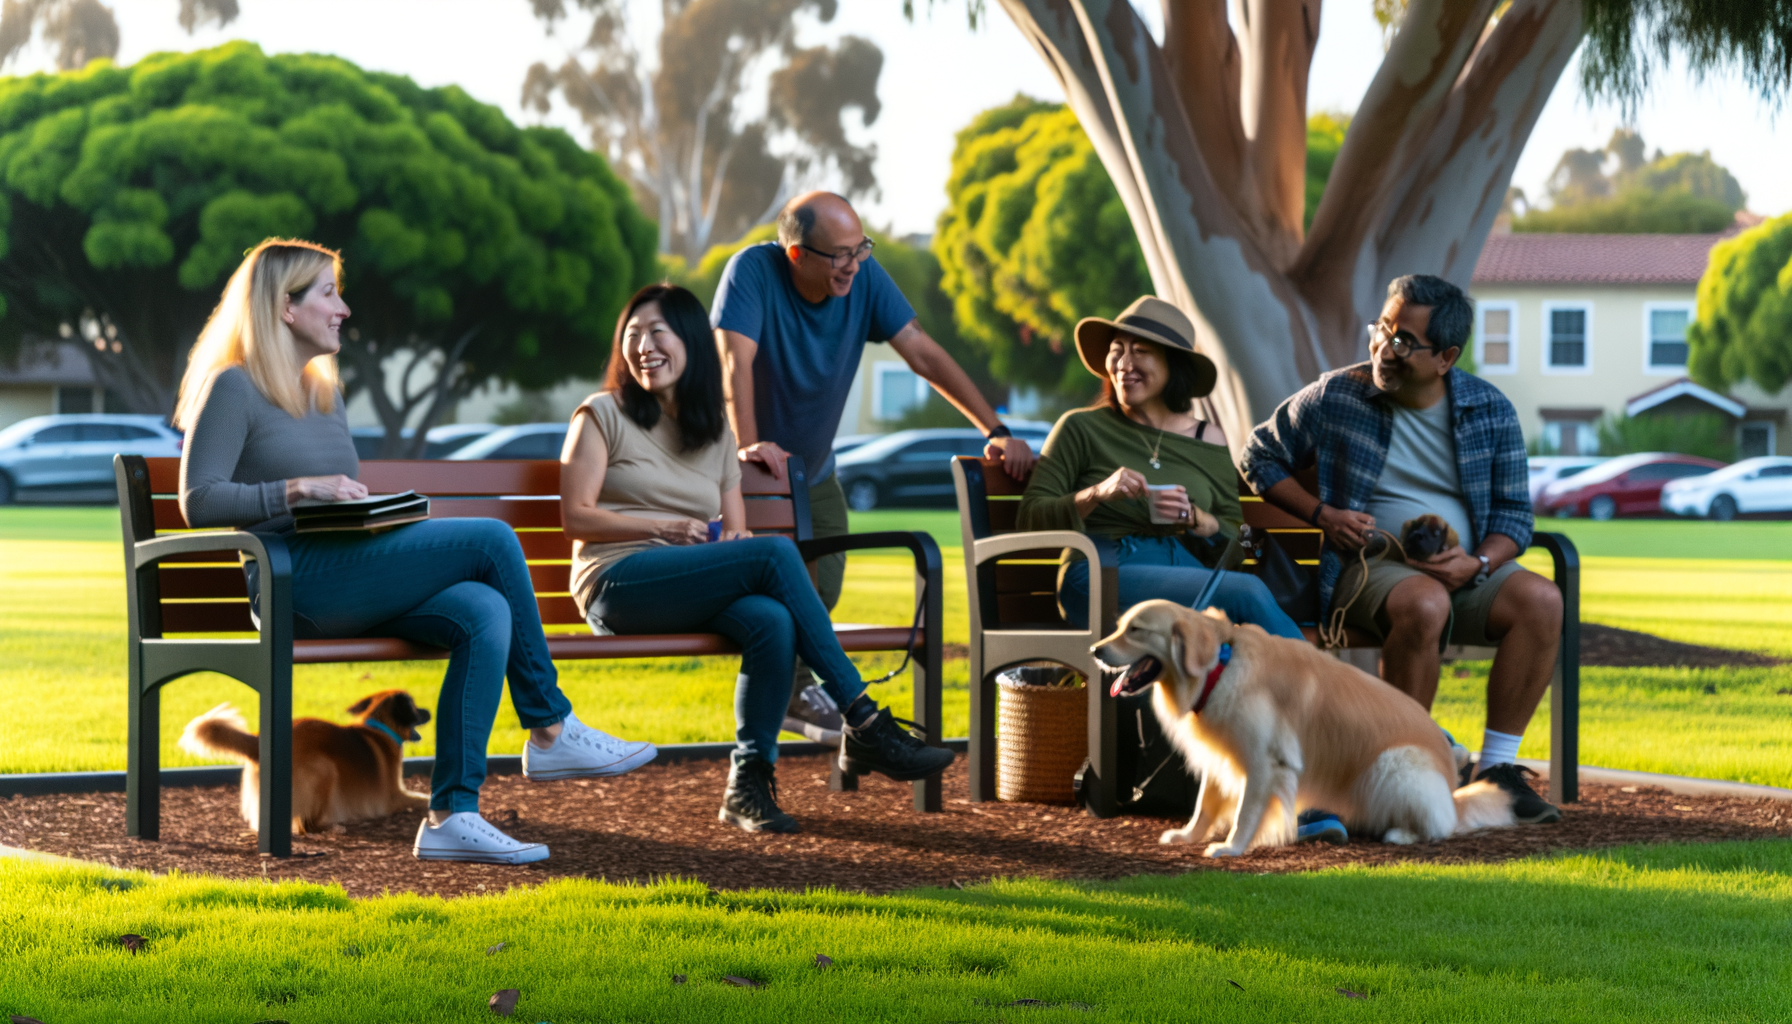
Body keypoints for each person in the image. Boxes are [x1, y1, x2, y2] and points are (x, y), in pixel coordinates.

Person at [174, 238, 655, 868]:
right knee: (492, 538)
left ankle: (453, 813)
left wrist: (365, 508)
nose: (343, 308)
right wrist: (297, 490)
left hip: (351, 571)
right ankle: (550, 726)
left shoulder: (324, 393)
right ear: (284, 309)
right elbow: (199, 501)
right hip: (295, 582)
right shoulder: (233, 387)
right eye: (328, 293)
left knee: (484, 609)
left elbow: (331, 499)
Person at [562, 283, 956, 834]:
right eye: (632, 336)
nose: (643, 347)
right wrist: (661, 527)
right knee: (774, 555)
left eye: (657, 332)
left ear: (691, 342)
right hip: (617, 582)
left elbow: (738, 532)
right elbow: (576, 517)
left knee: (770, 620)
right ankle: (864, 718)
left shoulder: (715, 431)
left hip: (689, 586)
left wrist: (731, 542)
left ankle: (748, 783)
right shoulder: (601, 414)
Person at [711, 192, 1037, 740]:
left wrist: (994, 429)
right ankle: (781, 711)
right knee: (772, 602)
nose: (854, 264)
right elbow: (732, 362)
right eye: (840, 254)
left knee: (822, 593)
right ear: (796, 255)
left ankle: (791, 697)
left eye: (860, 248)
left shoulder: (863, 277)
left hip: (813, 475)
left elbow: (921, 351)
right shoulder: (753, 272)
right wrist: (748, 449)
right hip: (748, 475)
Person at [1240, 274, 1564, 824]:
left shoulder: (1490, 410)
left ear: (1447, 357)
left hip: (1464, 567)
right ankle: (1400, 769)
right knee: (1424, 603)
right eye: (1382, 330)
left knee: (1543, 601)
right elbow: (1257, 455)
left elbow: (1514, 516)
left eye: (1404, 342)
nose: (1384, 350)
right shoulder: (1337, 395)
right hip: (1369, 568)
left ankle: (1498, 769)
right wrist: (1323, 516)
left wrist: (1478, 562)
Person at [1017, 297, 1306, 639]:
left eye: (1141, 351)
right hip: (1102, 570)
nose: (1124, 363)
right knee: (1246, 593)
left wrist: (1198, 520)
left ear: (1174, 366)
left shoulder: (1208, 439)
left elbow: (1234, 536)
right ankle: (1326, 689)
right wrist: (1098, 493)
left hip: (1184, 569)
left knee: (1234, 636)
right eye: (1117, 349)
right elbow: (1030, 518)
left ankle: (1304, 686)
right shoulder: (1080, 428)